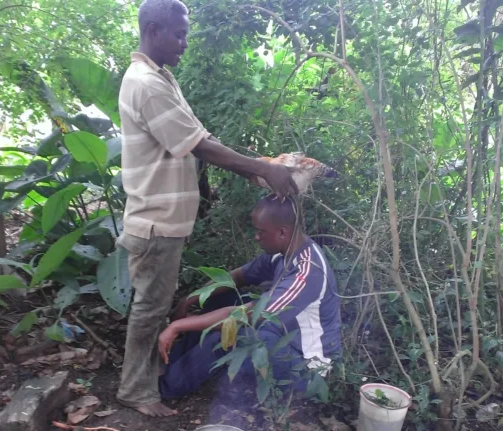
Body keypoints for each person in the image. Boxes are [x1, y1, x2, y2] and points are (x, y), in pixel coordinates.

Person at [116, 0, 299, 418]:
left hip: (166, 221)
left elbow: (194, 137)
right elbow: (197, 145)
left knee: (156, 305)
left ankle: (147, 377)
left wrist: (255, 170)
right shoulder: (146, 83)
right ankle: (136, 390)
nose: (185, 42)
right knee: (149, 309)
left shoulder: (162, 78)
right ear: (153, 30)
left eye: (186, 33)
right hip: (155, 222)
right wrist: (262, 169)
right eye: (178, 34)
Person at [157, 195, 342, 400]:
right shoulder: (282, 252)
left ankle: (163, 389)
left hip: (306, 367)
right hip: (280, 335)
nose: (256, 237)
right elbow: (235, 278)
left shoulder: (307, 271)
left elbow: (244, 316)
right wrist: (189, 300)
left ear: (282, 232)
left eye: (261, 232)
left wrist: (179, 325)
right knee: (222, 296)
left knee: (231, 333)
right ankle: (169, 361)